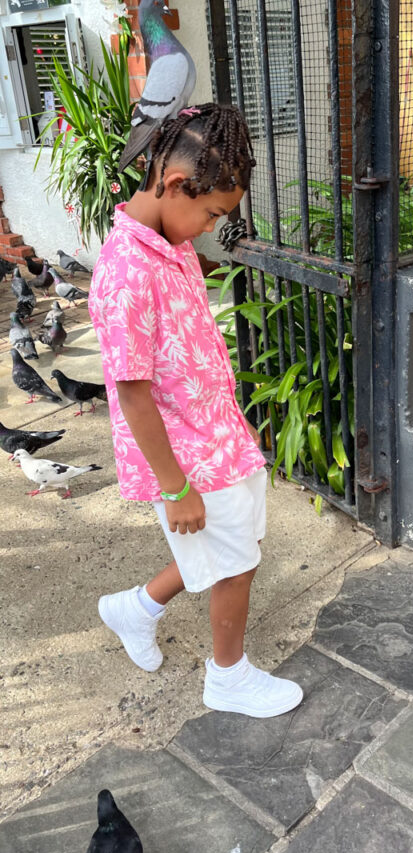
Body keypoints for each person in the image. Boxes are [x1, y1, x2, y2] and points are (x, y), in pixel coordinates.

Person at [89, 103, 303, 719]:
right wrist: (174, 486)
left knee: (234, 542)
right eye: (211, 214)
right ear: (177, 184)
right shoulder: (127, 271)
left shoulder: (167, 240)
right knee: (236, 564)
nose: (211, 227)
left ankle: (134, 610)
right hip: (186, 456)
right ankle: (227, 677)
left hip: (216, 432)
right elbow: (131, 391)